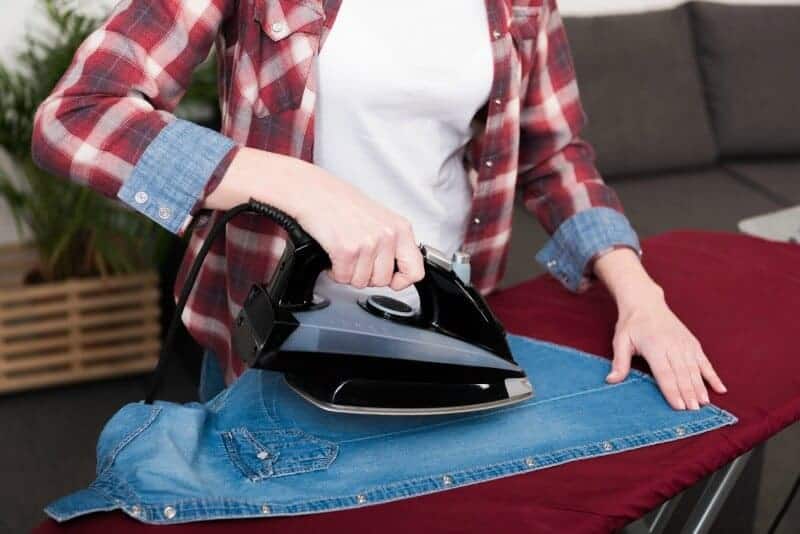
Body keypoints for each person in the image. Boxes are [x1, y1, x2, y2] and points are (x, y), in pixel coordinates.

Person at [31, 0, 726, 411]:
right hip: (275, 335)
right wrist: (305, 188)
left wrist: (640, 295)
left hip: (441, 326)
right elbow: (77, 117)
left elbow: (554, 154)